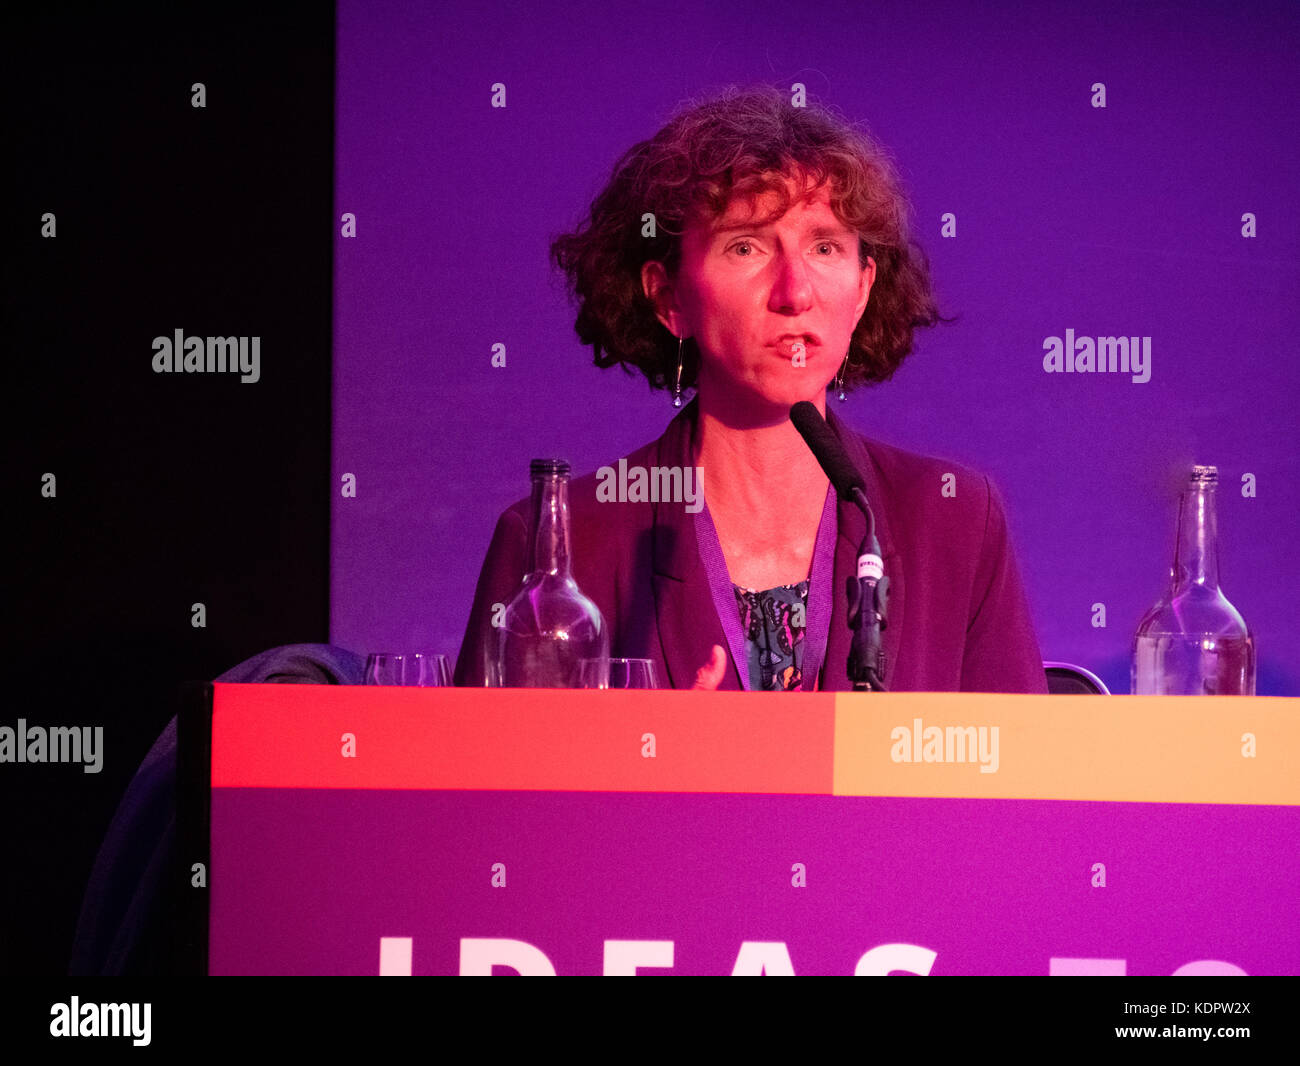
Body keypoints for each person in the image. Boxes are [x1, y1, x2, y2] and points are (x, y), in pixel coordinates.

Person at [454, 84, 1047, 693]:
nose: (795, 292)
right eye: (746, 245)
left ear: (863, 288)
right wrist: (651, 771)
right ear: (668, 297)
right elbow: (492, 786)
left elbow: (1019, 781)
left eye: (824, 246)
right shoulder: (560, 542)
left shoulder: (954, 519)